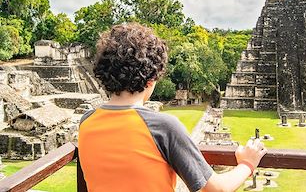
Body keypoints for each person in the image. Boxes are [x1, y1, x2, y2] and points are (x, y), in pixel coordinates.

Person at [78, 22, 267, 192]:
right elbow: (216, 189)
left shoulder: (86, 121)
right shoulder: (162, 126)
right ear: (152, 79)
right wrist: (247, 164)